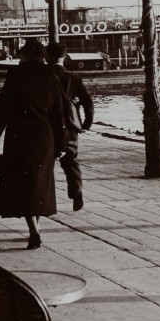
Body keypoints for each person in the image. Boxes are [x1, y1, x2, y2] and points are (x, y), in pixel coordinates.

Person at [0, 38, 64, 249]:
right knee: (38, 184)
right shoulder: (52, 77)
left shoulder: (16, 76)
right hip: (44, 137)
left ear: (26, 55)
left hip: (19, 136)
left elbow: (2, 111)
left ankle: (34, 231)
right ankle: (35, 228)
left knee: (24, 185)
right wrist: (60, 145)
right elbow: (58, 115)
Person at [46, 41, 94, 211]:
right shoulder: (73, 78)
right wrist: (87, 123)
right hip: (70, 127)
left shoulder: (43, 76)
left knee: (46, 163)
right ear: (64, 57)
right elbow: (88, 102)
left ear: (47, 56)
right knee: (70, 160)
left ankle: (46, 199)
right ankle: (77, 190)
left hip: (48, 127)